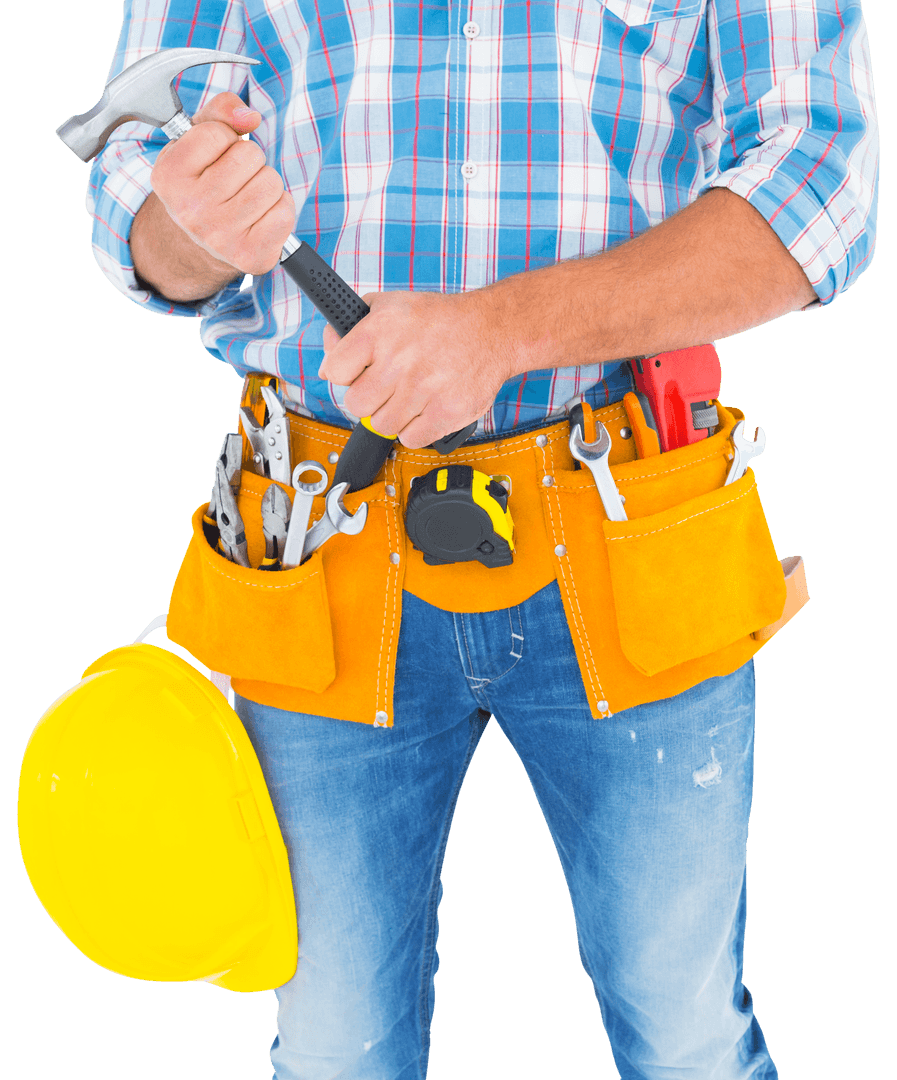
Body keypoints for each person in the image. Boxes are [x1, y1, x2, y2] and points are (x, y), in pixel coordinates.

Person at [85, 2, 878, 1078]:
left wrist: (503, 331)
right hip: (316, 536)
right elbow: (135, 189)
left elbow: (825, 180)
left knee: (688, 1040)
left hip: (631, 512)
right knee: (336, 1053)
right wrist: (187, 225)